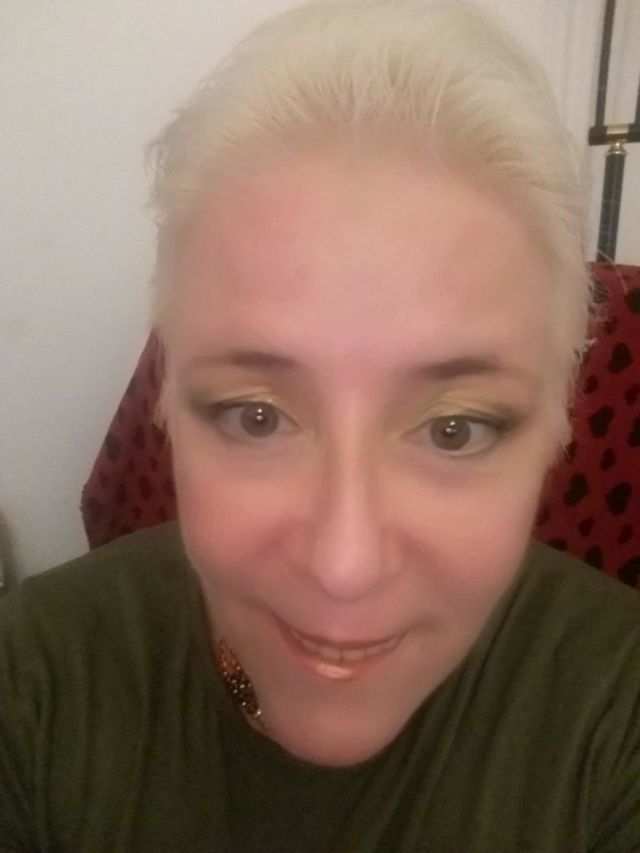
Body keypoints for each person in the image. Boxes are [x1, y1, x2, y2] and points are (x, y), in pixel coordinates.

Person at [1, 1, 639, 850]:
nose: (344, 567)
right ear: (167, 411)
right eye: (257, 417)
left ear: (555, 434)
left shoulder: (616, 716)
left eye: (454, 430)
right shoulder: (32, 680)